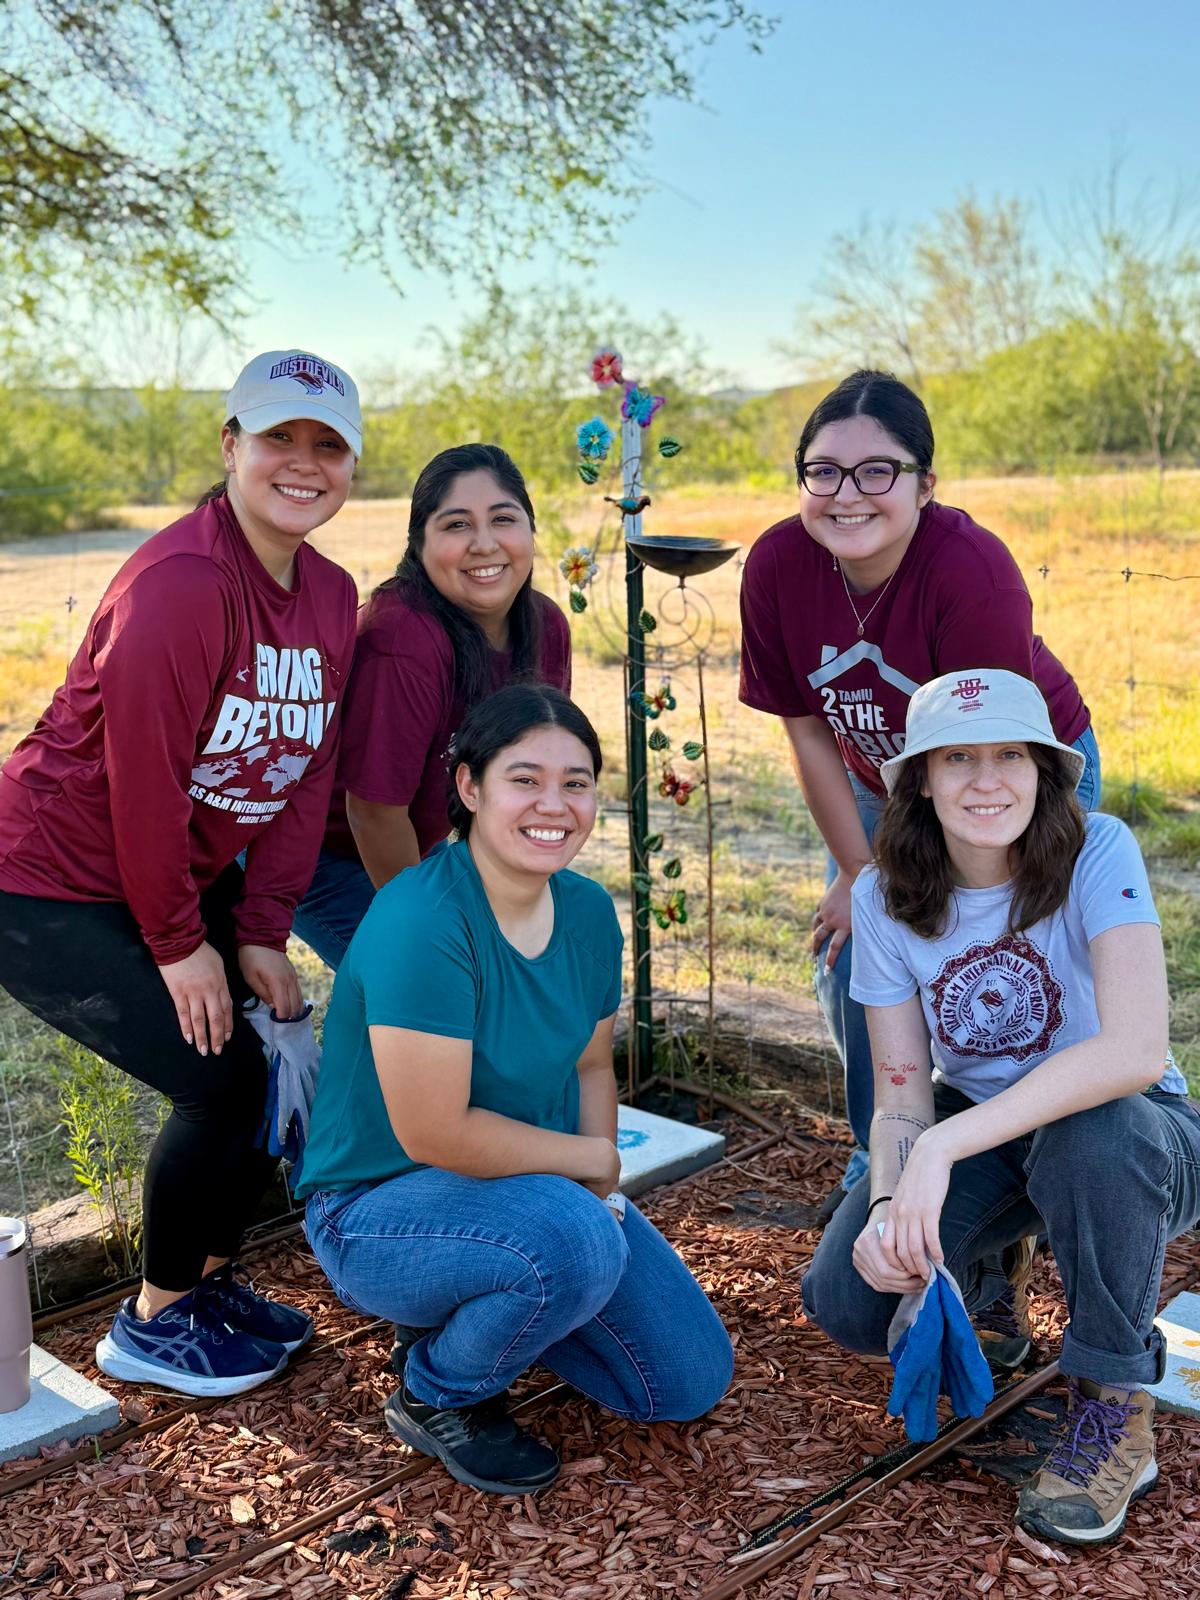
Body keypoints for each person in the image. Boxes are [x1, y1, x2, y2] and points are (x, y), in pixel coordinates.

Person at [0, 349, 362, 1396]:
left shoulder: (330, 594)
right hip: (47, 883)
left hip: (163, 878)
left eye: (326, 445)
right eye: (277, 438)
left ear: (350, 465)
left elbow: (304, 771)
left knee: (264, 1051)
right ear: (230, 445)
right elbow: (146, 784)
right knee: (221, 1076)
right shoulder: (181, 584)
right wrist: (178, 944)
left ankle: (203, 1285)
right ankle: (153, 1320)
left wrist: (257, 928)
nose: (302, 463)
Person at [297, 684, 733, 1495]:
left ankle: (493, 1296)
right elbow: (436, 1134)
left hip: (530, 1190)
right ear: (468, 787)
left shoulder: (588, 911)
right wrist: (589, 1164)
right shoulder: (421, 920)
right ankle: (438, 1389)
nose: (554, 804)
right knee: (572, 1244)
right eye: (524, 779)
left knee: (684, 1379)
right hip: (378, 1207)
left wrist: (599, 1185)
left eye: (576, 782)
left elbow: (591, 1066)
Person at [802, 667, 1198, 1547]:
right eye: (958, 759)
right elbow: (903, 1092)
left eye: (1011, 756)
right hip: (986, 1125)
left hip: (1139, 1134)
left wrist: (940, 1156)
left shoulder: (1099, 849)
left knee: (1094, 1137)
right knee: (852, 1298)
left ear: (1046, 771)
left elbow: (1132, 1053)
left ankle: (1113, 1405)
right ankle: (995, 1261)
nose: (987, 781)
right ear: (921, 781)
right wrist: (886, 1202)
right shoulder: (880, 894)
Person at [738, 370, 1101, 1219]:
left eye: (878, 471)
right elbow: (805, 726)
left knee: (1009, 957)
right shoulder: (779, 563)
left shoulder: (970, 571)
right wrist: (860, 876)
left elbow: (987, 764)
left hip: (1010, 769)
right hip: (881, 780)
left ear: (925, 484)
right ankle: (885, 1155)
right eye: (822, 470)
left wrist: (902, 878)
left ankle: (1039, 1166)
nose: (847, 493)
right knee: (855, 946)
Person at [293, 442, 571, 970]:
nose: (484, 544)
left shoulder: (545, 626)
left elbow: (533, 778)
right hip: (318, 852)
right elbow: (372, 813)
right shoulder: (402, 640)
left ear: (531, 532)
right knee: (434, 978)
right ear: (419, 543)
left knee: (520, 965)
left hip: (416, 843)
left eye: (504, 519)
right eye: (457, 525)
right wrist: (427, 930)